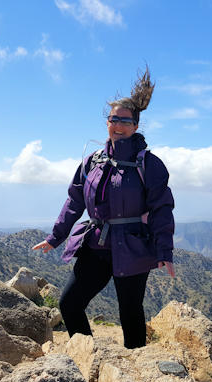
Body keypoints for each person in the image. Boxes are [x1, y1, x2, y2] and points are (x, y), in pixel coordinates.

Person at [32, 67, 174, 349]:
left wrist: (164, 251)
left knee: (130, 312)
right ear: (107, 122)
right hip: (97, 244)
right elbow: (75, 200)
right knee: (70, 304)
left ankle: (135, 369)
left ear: (135, 126)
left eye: (125, 120)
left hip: (134, 247)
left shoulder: (150, 165)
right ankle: (87, 356)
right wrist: (55, 237)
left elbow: (162, 208)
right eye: (113, 119)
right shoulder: (93, 161)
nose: (118, 125)